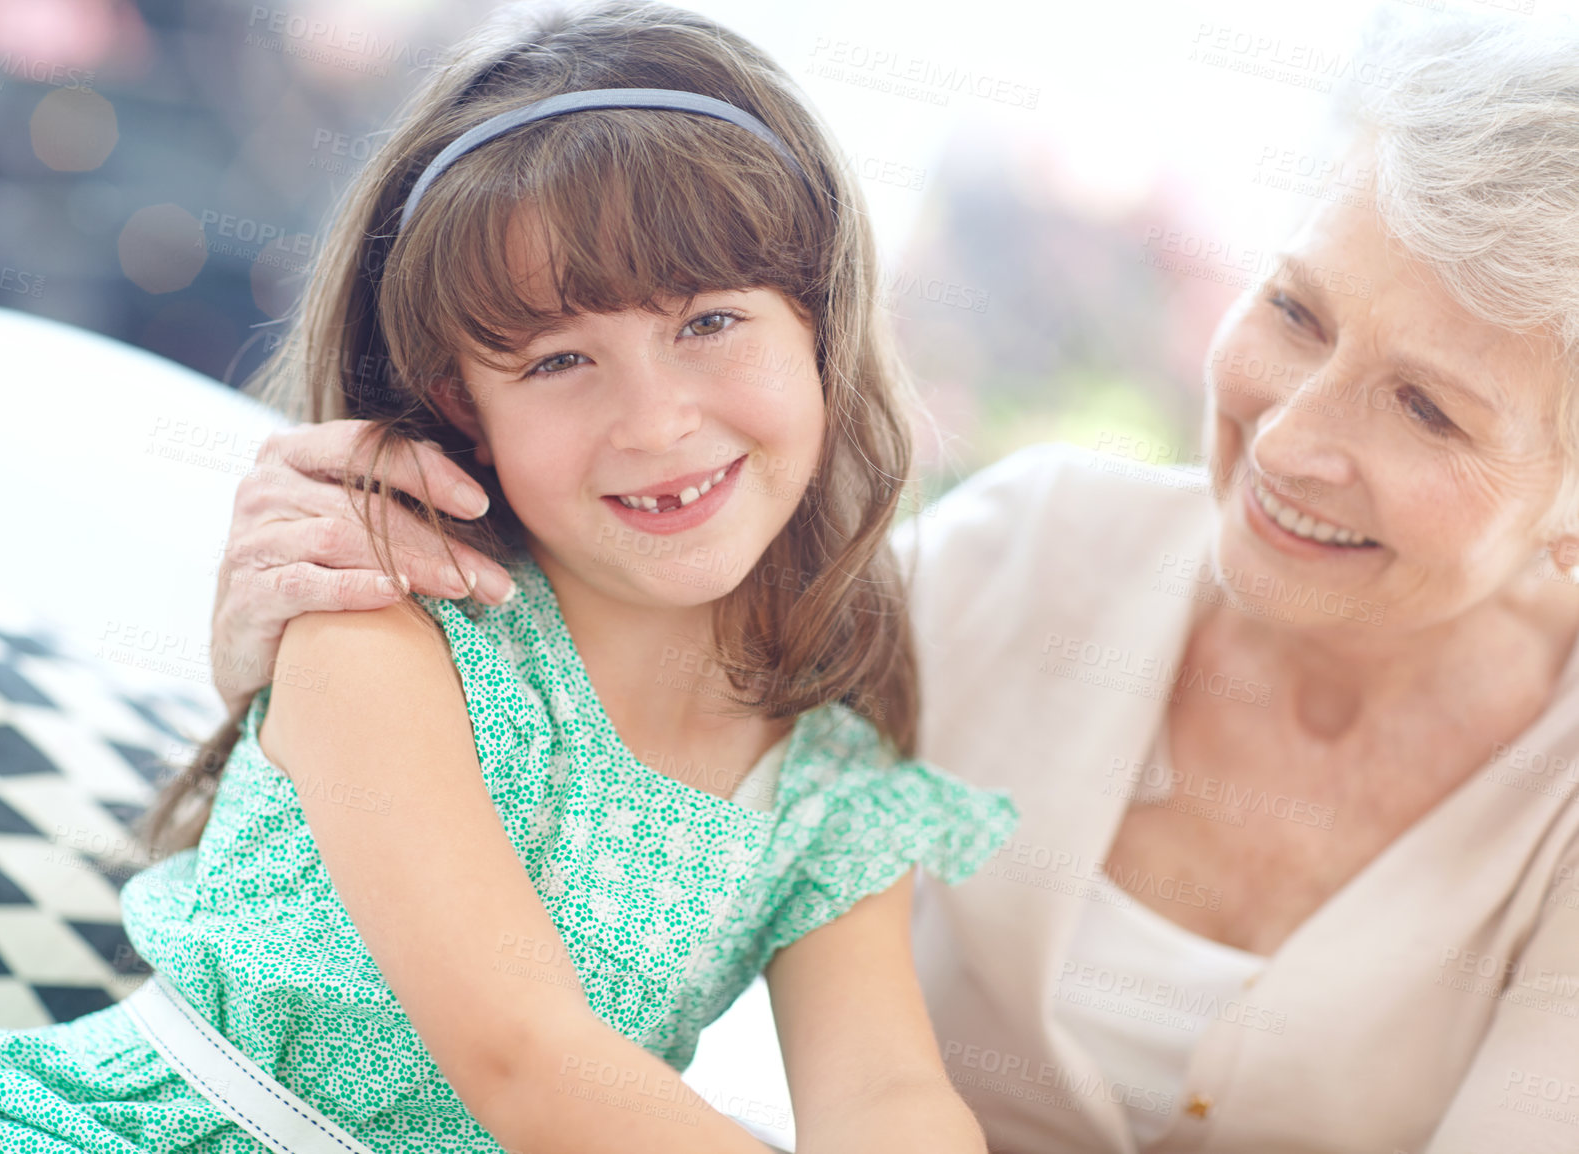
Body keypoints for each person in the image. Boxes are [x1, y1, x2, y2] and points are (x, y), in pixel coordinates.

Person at [203, 15, 1579, 1153]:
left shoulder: (837, 772)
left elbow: (880, 1084)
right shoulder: (1026, 563)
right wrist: (269, 647)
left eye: (1431, 410)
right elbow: (682, 631)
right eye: (1295, 310)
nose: (1291, 436)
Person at [0, 4, 1020, 1152]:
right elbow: (524, 1056)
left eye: (710, 321)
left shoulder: (828, 772)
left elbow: (884, 1092)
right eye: (560, 358)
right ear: (463, 401)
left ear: (817, 328)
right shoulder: (386, 620)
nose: (656, 421)